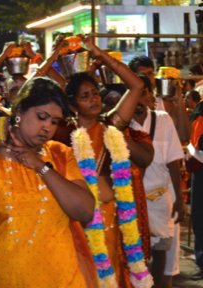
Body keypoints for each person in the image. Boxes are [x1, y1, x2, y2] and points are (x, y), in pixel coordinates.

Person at [0, 41, 99, 288]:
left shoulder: (60, 155)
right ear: (19, 111)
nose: (48, 128)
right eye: (41, 117)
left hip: (61, 280)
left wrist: (40, 166)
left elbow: (85, 211)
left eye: (55, 122)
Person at [54, 35, 153, 288]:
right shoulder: (62, 132)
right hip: (75, 218)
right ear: (72, 104)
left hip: (110, 216)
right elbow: (30, 92)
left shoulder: (111, 125)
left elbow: (136, 87)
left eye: (95, 93)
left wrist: (101, 55)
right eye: (85, 96)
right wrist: (53, 59)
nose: (94, 99)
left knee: (111, 277)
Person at [129, 75, 185, 288]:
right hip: (132, 200)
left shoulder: (162, 119)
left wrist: (179, 198)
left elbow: (173, 161)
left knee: (161, 250)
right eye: (134, 93)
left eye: (143, 93)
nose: (140, 99)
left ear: (151, 95)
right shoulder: (122, 122)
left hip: (160, 197)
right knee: (136, 254)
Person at [128, 55, 191, 142]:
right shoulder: (127, 105)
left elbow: (184, 137)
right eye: (142, 75)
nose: (148, 78)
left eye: (150, 73)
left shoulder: (166, 104)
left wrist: (179, 99)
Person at [187, 100, 203, 280]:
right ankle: (202, 263)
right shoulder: (201, 110)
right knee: (200, 217)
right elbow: (198, 141)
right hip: (201, 171)